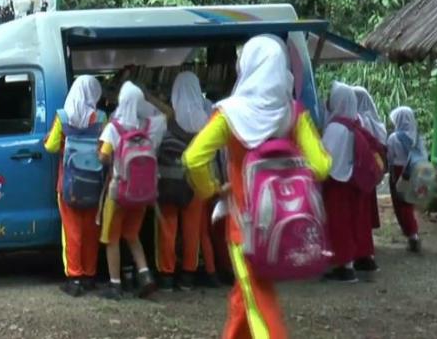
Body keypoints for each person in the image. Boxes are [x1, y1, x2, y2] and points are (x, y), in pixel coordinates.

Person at [184, 35, 331, 339]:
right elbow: (322, 166)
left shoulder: (230, 114)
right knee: (245, 295)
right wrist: (289, 173)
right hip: (283, 222)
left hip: (244, 227)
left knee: (259, 302)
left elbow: (193, 158)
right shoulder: (293, 112)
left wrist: (211, 188)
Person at [98, 81, 167, 300]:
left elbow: (103, 157)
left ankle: (115, 284)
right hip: (142, 192)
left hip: (118, 191)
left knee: (112, 237)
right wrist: (149, 98)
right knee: (132, 235)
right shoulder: (150, 125)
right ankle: (146, 277)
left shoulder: (114, 127)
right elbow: (167, 115)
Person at [154, 72, 218, 291]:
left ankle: (166, 276)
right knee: (192, 230)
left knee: (167, 228)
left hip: (169, 180)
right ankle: (188, 276)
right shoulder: (208, 120)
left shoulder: (166, 118)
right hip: (196, 181)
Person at [44, 76, 105, 296]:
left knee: (72, 231)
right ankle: (89, 276)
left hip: (68, 184)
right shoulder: (100, 117)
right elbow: (105, 147)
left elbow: (51, 146)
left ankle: (74, 278)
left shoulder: (63, 116)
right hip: (94, 184)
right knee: (91, 231)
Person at [321, 81, 364, 283]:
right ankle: (346, 263)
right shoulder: (355, 123)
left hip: (336, 181)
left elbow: (324, 157)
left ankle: (344, 267)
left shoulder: (336, 127)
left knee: (337, 224)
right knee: (347, 222)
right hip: (350, 180)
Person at [352, 86, 386, 273]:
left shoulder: (359, 121)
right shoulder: (375, 121)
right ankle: (366, 249)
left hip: (360, 174)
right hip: (371, 173)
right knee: (366, 211)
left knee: (360, 213)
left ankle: (363, 252)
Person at [387, 106, 423, 253]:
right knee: (409, 203)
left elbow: (390, 158)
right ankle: (413, 234)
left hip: (399, 171)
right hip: (416, 171)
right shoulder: (417, 136)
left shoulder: (394, 138)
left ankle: (412, 235)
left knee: (401, 204)